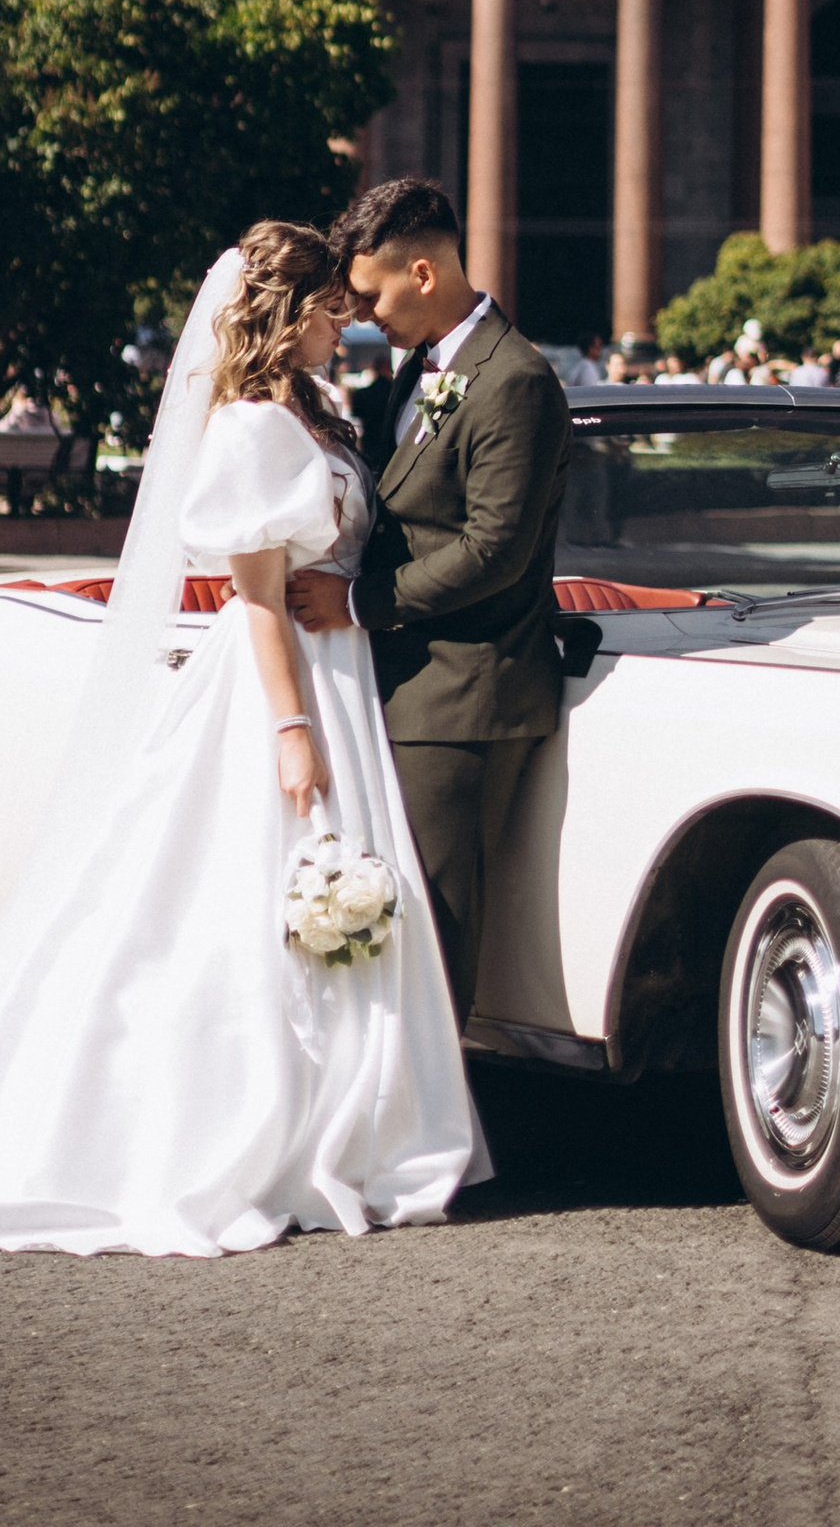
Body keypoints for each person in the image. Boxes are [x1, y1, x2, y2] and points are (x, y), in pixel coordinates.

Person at [0, 219, 476, 1252]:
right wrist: (291, 727)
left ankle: (337, 1127)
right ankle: (237, 1131)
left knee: (298, 899)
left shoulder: (310, 412)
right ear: (288, 313)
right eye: (331, 311)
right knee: (242, 902)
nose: (345, 329)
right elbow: (255, 600)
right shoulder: (250, 426)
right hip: (278, 684)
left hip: (332, 667)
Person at [307, 175, 574, 1041]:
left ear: (422, 273)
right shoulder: (417, 371)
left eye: (373, 294)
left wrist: (355, 602)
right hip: (397, 680)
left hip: (464, 695)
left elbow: (495, 550)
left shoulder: (514, 380)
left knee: (435, 925)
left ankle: (433, 1141)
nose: (361, 315)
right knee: (386, 916)